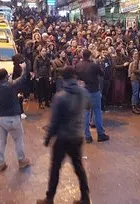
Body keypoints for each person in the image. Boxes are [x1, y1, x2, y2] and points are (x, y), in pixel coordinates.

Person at [38, 66, 91, 204]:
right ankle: (85, 198)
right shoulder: (83, 92)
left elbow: (54, 121)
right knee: (79, 168)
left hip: (63, 137)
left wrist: (48, 138)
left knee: (55, 168)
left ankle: (49, 198)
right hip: (77, 135)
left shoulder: (60, 96)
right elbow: (89, 106)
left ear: (63, 78)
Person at [0, 66, 30, 172]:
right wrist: (24, 69)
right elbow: (22, 79)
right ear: (5, 77)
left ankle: (0, 163)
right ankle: (21, 160)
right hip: (13, 118)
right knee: (18, 139)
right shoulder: (10, 86)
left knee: (1, 141)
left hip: (0, 118)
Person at [76, 49, 109, 143]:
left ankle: (87, 136)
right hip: (94, 90)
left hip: (84, 90)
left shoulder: (78, 65)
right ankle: (100, 134)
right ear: (90, 56)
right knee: (97, 112)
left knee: (85, 113)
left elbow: (76, 77)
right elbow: (102, 74)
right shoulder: (94, 65)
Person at [128, 50, 140, 114]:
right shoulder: (134, 62)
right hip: (134, 78)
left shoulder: (137, 62)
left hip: (137, 79)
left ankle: (136, 105)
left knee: (136, 92)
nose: (136, 55)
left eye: (137, 54)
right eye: (135, 54)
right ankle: (133, 106)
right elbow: (133, 70)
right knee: (135, 92)